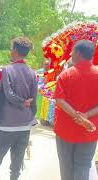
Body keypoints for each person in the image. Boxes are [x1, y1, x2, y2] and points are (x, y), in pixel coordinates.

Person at [0, 37, 37, 180]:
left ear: (15, 50)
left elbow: (9, 94)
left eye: (11, 48)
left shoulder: (8, 70)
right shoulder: (32, 73)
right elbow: (33, 99)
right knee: (16, 166)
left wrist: (21, 102)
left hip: (7, 125)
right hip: (25, 126)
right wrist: (29, 113)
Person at [54, 40, 98, 180]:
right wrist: (85, 117)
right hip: (89, 131)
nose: (71, 54)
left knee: (66, 168)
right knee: (83, 167)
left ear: (78, 53)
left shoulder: (65, 75)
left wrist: (78, 118)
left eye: (72, 51)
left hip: (65, 131)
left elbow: (60, 100)